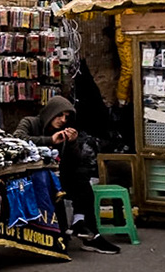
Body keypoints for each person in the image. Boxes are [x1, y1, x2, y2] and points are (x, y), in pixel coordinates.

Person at [15, 95, 120, 254]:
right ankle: (84, 233)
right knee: (63, 182)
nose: (63, 120)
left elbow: (73, 160)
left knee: (82, 177)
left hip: (58, 176)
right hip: (32, 177)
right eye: (59, 115)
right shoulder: (30, 122)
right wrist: (50, 140)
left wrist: (72, 143)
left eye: (66, 117)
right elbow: (17, 139)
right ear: (50, 112)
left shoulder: (63, 131)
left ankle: (82, 224)